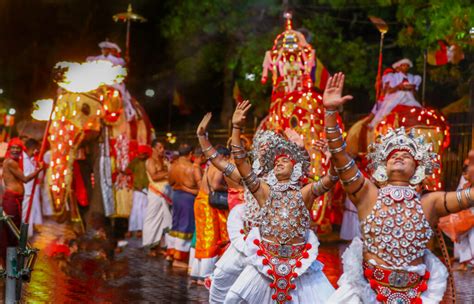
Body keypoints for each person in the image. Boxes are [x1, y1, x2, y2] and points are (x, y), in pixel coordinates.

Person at [322, 72, 474, 303]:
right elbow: (340, 156)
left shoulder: (430, 202)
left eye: (407, 154)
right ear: (383, 163)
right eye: (393, 154)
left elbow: (468, 198)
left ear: (418, 166)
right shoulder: (367, 193)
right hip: (368, 293)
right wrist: (331, 113)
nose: (399, 155)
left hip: (415, 294)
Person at [224, 100, 336, 303]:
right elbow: (240, 161)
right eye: (277, 161)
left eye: (285, 160)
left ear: (296, 169)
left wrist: (333, 156)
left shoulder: (305, 193)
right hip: (264, 262)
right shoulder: (263, 191)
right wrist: (237, 127)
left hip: (300, 265)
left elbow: (333, 177)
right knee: (233, 299)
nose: (279, 161)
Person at [190, 144, 230, 284]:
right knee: (210, 238)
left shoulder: (210, 164)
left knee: (201, 238)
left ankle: (196, 273)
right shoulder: (220, 165)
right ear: (224, 156)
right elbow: (215, 185)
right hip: (207, 205)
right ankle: (204, 275)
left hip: (200, 201)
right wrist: (229, 188)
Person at [0, 138, 42, 267]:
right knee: (11, 229)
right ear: (9, 150)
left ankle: (11, 259)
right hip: (12, 200)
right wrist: (38, 170)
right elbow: (25, 179)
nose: (16, 150)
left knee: (14, 228)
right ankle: (9, 260)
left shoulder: (16, 162)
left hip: (16, 199)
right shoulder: (10, 162)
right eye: (13, 148)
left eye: (18, 148)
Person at [167, 144, 202, 268]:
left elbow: (170, 182)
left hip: (176, 196)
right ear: (191, 154)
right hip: (188, 199)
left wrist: (181, 187)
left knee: (176, 225)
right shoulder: (192, 168)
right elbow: (201, 189)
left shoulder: (172, 166)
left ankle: (171, 254)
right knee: (185, 227)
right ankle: (179, 259)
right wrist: (187, 188)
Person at [369, 58, 422, 128]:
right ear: (400, 67)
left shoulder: (412, 77)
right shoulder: (393, 77)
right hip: (396, 97)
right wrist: (399, 86)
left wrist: (413, 88)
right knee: (386, 108)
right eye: (403, 65)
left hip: (409, 98)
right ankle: (374, 124)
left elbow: (415, 93)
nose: (405, 67)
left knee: (419, 108)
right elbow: (389, 91)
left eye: (407, 66)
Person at [142, 140, 172, 256]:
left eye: (163, 147)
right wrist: (167, 172)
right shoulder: (150, 161)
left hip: (166, 193)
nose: (162, 150)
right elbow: (154, 177)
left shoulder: (164, 160)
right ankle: (150, 247)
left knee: (165, 220)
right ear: (153, 148)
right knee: (152, 219)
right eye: (159, 147)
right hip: (155, 193)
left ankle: (160, 246)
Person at [127, 145, 152, 238]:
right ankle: (133, 230)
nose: (140, 156)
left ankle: (143, 230)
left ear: (146, 154)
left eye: (142, 154)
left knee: (145, 210)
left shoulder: (150, 162)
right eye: (139, 154)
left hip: (147, 189)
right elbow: (128, 170)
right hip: (137, 189)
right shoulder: (135, 161)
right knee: (135, 210)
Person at [21, 138, 42, 237]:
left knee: (30, 215)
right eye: (37, 149)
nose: (37, 151)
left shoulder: (31, 159)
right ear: (33, 148)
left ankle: (27, 235)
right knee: (25, 215)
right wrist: (38, 170)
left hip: (31, 191)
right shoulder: (24, 160)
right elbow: (26, 177)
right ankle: (23, 236)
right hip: (26, 191)